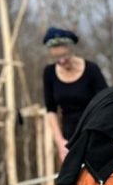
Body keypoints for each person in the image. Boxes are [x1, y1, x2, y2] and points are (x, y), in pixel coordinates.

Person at [42, 26, 108, 162]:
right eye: (56, 57)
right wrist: (60, 142)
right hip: (69, 138)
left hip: (95, 133)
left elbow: (106, 102)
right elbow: (51, 110)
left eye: (64, 55)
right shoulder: (49, 73)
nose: (61, 61)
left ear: (71, 50)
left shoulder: (92, 70)